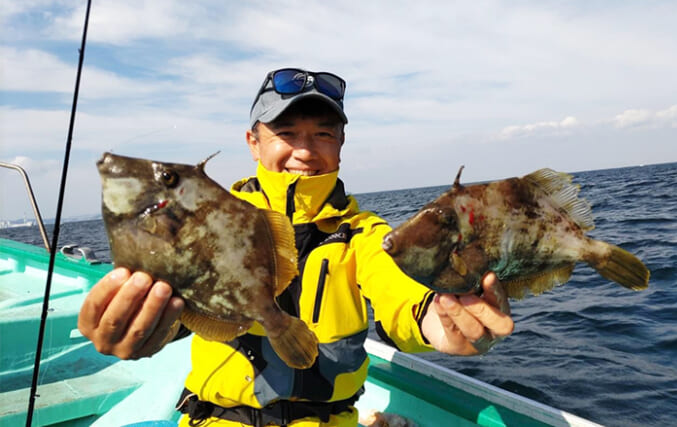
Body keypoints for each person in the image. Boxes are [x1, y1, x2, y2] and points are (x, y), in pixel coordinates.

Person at [78, 68, 514, 426]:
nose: (305, 151)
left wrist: (440, 322)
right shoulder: (213, 217)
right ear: (253, 142)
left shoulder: (362, 234)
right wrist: (144, 328)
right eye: (286, 133)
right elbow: (184, 298)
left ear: (340, 144)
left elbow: (399, 288)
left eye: (323, 134)